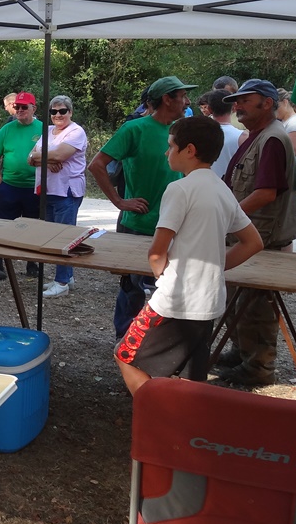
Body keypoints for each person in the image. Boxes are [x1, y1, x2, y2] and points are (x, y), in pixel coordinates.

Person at [115, 116, 263, 396]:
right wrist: (217, 267)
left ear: (189, 150)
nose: (166, 152)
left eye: (171, 146)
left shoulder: (179, 189)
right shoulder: (222, 189)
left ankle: (154, 414)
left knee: (125, 355)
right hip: (209, 299)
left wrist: (160, 272)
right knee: (190, 378)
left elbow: (157, 251)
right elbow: (253, 242)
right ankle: (184, 420)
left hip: (175, 299)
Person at [88, 75, 196, 336]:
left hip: (175, 224)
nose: (187, 101)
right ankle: (125, 340)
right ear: (167, 99)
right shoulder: (134, 129)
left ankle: (160, 341)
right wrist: (119, 201)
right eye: (182, 96)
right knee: (132, 288)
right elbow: (96, 165)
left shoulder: (182, 131)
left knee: (170, 287)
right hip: (139, 223)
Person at [217, 80, 296, 387]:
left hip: (263, 239)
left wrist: (229, 216)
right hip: (252, 235)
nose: (237, 106)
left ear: (267, 103)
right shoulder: (259, 135)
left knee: (256, 306)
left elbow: (266, 193)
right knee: (238, 301)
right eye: (236, 101)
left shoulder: (273, 139)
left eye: (245, 101)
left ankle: (258, 368)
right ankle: (242, 353)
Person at [29, 95, 88, 297]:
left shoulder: (76, 132)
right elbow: (30, 158)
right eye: (53, 111)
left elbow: (59, 155)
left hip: (66, 190)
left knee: (64, 237)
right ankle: (66, 276)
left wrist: (41, 157)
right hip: (48, 190)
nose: (58, 115)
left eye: (62, 111)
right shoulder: (47, 131)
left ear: (70, 112)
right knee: (53, 236)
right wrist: (46, 160)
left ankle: (61, 282)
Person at [0, 92, 42, 280]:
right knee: (1, 225)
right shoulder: (7, 129)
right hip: (9, 186)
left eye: (24, 107)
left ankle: (31, 262)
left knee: (32, 225)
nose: (19, 110)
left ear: (33, 108)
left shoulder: (43, 129)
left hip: (33, 187)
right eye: (17, 107)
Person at [206, 89, 245, 179]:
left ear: (209, 109)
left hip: (204, 184)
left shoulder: (197, 135)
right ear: (234, 107)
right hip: (231, 185)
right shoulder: (242, 137)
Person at [276, 88, 296, 164]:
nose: (274, 110)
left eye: (276, 106)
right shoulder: (285, 122)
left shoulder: (294, 124)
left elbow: (293, 151)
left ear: (285, 102)